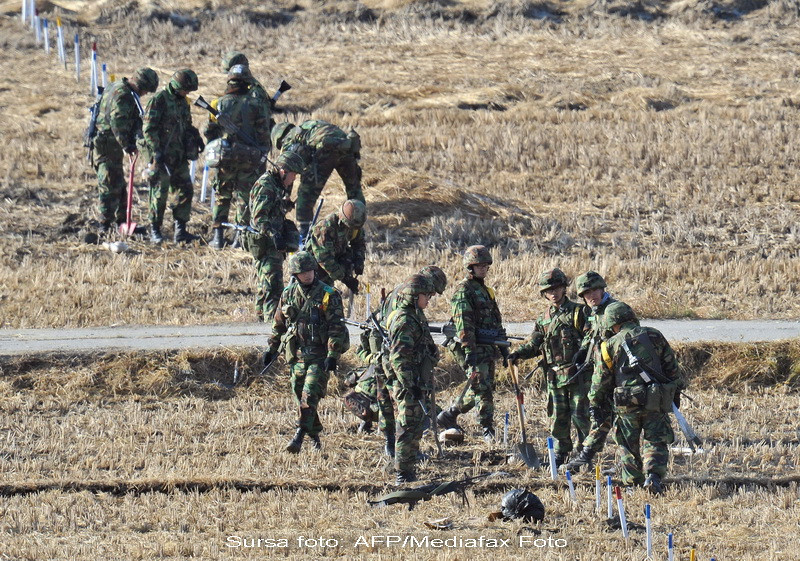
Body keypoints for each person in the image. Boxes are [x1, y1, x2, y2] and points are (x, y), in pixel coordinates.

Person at [591, 302, 684, 494]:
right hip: (655, 399)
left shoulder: (608, 346)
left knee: (627, 443)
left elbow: (601, 380)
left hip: (626, 403)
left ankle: (633, 483)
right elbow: (672, 369)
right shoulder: (654, 335)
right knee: (655, 440)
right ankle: (653, 476)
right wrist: (674, 394)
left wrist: (595, 402)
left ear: (611, 324)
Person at [262, 251, 349, 453]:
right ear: (295, 274)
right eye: (303, 272)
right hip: (297, 356)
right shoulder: (288, 294)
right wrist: (271, 347)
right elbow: (279, 324)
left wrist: (332, 356)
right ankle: (315, 437)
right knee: (299, 396)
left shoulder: (329, 294)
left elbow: (336, 327)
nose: (308, 275)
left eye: (310, 270)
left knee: (309, 396)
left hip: (320, 356)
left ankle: (298, 436)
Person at [508, 268, 589, 468]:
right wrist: (518, 353)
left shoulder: (578, 312)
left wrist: (582, 356)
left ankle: (583, 454)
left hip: (577, 375)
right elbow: (535, 343)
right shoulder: (544, 318)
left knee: (581, 416)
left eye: (557, 288)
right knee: (557, 418)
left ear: (564, 288)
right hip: (554, 377)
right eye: (549, 290)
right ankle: (561, 454)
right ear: (544, 293)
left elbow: (590, 338)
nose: (553, 293)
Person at [438, 245, 506, 443]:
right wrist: (469, 350)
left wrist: (503, 347)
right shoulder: (464, 291)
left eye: (485, 265)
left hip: (486, 346)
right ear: (470, 267)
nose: (483, 269)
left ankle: (450, 414)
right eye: (479, 265)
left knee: (483, 386)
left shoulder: (485, 291)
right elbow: (463, 324)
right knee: (482, 388)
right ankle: (487, 428)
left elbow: (495, 321)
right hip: (470, 347)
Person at [205, 64, 272, 249]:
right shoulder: (256, 104)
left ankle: (218, 237)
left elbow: (209, 132)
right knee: (244, 196)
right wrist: (261, 153)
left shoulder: (218, 104)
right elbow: (264, 133)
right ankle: (239, 238)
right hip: (248, 159)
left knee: (222, 195)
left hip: (224, 157)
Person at [271, 120, 364, 241]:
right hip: (346, 144)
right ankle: (358, 226)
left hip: (325, 151)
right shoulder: (308, 126)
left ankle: (304, 234)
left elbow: (287, 169)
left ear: (279, 138)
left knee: (306, 194)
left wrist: (286, 196)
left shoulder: (289, 139)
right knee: (354, 188)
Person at [386, 274, 439, 483]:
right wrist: (411, 385)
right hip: (409, 384)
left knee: (416, 427)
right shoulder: (405, 320)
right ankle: (402, 473)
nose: (428, 300)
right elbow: (398, 358)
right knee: (407, 428)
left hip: (418, 381)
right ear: (414, 296)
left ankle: (409, 469)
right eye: (426, 296)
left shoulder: (417, 316)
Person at [563, 271, 619, 472]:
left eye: (595, 290)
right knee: (602, 416)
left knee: (620, 419)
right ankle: (585, 456)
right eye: (586, 293)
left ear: (603, 289)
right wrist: (582, 352)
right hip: (601, 374)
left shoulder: (615, 311)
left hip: (617, 376)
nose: (591, 296)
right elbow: (591, 336)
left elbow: (628, 342)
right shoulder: (595, 313)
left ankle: (632, 464)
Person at [92, 67, 159, 233]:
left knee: (119, 183)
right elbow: (118, 122)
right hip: (106, 144)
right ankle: (104, 225)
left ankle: (122, 223)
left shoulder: (117, 87)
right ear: (141, 86)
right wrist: (127, 145)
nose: (144, 94)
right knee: (108, 183)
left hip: (110, 143)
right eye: (145, 91)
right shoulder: (123, 95)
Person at [142, 69, 204, 244]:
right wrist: (156, 151)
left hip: (179, 155)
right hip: (161, 156)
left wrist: (196, 137)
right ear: (177, 86)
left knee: (186, 190)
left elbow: (187, 124)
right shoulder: (159, 100)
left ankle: (180, 230)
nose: (187, 93)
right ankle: (155, 229)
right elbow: (148, 129)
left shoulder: (183, 102)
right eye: (186, 90)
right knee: (159, 194)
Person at [247, 149, 306, 322]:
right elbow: (259, 218)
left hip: (272, 243)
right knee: (273, 287)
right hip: (266, 243)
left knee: (265, 286)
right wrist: (274, 234)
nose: (294, 179)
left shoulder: (276, 185)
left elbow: (271, 209)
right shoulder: (267, 186)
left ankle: (259, 325)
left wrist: (285, 205)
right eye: (293, 175)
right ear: (283, 171)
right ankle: (271, 326)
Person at [307, 199, 366, 295]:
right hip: (316, 266)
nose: (352, 229)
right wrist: (345, 278)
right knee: (322, 293)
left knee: (330, 297)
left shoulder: (355, 225)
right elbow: (324, 259)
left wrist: (359, 260)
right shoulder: (325, 228)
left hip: (336, 256)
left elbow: (359, 243)